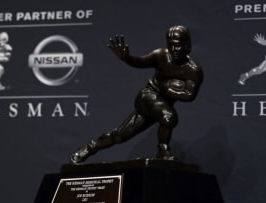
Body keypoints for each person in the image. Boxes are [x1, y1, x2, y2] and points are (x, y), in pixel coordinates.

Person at [70, 25, 203, 164]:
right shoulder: (161, 55)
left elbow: (189, 95)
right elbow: (140, 62)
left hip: (161, 106)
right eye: (171, 46)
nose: (174, 50)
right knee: (169, 117)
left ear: (187, 45)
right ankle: (163, 150)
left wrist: (168, 90)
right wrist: (126, 57)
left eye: (178, 46)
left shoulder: (193, 70)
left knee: (120, 136)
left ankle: (89, 147)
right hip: (148, 97)